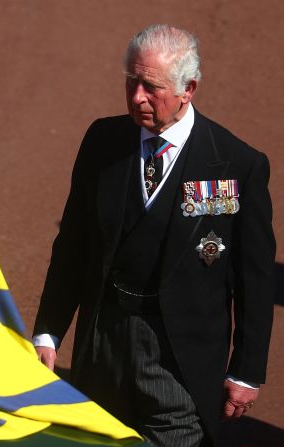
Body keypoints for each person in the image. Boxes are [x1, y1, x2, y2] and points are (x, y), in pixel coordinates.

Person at [32, 24, 275, 447]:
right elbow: (73, 245)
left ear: (189, 89)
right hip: (103, 348)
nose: (137, 96)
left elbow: (253, 278)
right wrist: (49, 331)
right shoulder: (102, 141)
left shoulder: (237, 163)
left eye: (151, 86)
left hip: (181, 361)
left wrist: (246, 370)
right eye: (132, 81)